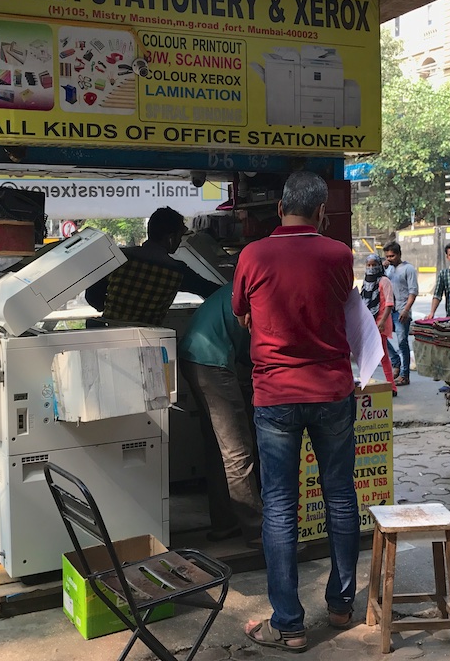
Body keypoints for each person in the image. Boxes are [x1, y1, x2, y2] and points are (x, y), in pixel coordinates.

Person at [233, 171, 358, 652]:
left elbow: (242, 313)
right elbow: (337, 306)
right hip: (331, 392)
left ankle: (288, 624)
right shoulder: (338, 255)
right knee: (340, 497)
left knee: (282, 507)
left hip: (276, 395)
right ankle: (342, 606)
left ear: (281, 206)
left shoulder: (253, 255)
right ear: (322, 212)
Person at [179, 283, 262, 544]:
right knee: (238, 450)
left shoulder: (243, 285)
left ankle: (224, 523)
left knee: (220, 447)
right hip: (212, 361)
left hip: (195, 356)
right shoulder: (261, 294)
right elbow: (259, 351)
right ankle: (259, 531)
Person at [85, 207, 219, 325]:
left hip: (108, 335)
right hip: (148, 341)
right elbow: (209, 290)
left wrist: (116, 311)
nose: (179, 241)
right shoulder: (176, 271)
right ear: (170, 238)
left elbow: (92, 296)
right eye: (179, 236)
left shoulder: (119, 258)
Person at [360, 253, 397, 396]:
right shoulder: (366, 282)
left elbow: (389, 303)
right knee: (369, 355)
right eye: (368, 265)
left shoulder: (384, 281)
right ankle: (367, 383)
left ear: (379, 265)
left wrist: (381, 322)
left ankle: (391, 386)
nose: (371, 268)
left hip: (380, 323)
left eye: (374, 264)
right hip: (368, 323)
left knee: (382, 355)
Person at [383, 242, 417, 386]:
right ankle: (395, 361)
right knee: (382, 337)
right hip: (390, 310)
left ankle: (405, 375)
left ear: (399, 254)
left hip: (402, 310)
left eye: (392, 255)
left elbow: (413, 291)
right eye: (387, 256)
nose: (390, 258)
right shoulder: (388, 270)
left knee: (402, 342)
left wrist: (406, 309)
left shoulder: (408, 269)